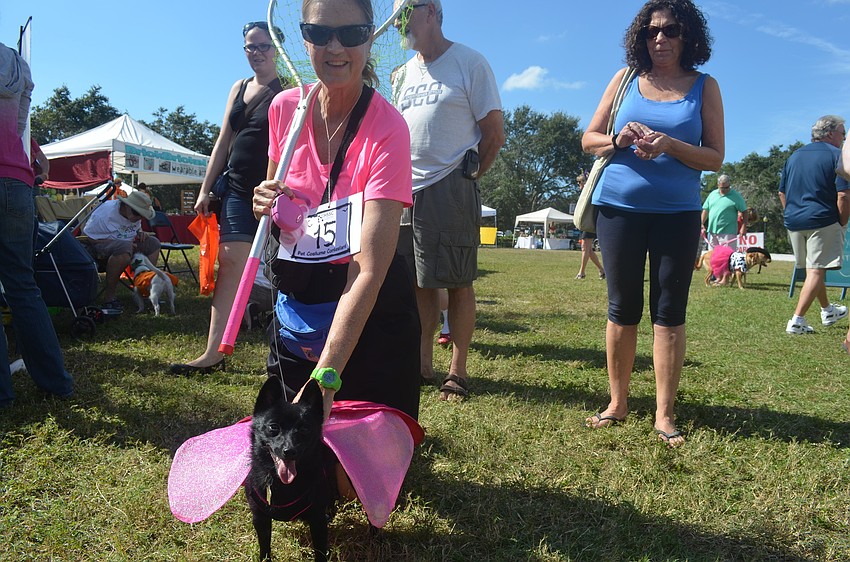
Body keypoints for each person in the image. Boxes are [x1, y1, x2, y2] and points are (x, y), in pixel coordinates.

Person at [252, 0, 421, 497]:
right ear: (301, 37)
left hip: (367, 308)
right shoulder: (285, 108)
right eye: (319, 32)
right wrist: (268, 197)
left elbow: (368, 270)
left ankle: (374, 434)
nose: (335, 47)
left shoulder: (389, 127)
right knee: (288, 483)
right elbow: (285, 203)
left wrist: (325, 383)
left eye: (352, 32)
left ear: (372, 37)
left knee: (348, 488)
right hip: (302, 296)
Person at [581, 0, 725, 447]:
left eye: (670, 30)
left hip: (677, 214)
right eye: (650, 31)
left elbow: (715, 156)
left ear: (688, 37)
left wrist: (671, 145)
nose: (659, 38)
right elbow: (589, 139)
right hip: (618, 210)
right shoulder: (624, 80)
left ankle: (664, 414)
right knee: (621, 308)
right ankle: (617, 403)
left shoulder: (705, 86)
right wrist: (616, 140)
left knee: (669, 312)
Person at [393, 0, 505, 401]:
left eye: (405, 12)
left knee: (457, 281)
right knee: (420, 282)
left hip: (450, 184)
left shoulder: (469, 62)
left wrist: (471, 175)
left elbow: (493, 131)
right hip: (406, 190)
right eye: (395, 17)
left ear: (433, 12)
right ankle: (422, 365)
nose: (399, 23)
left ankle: (457, 372)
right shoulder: (402, 73)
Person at [169, 21, 284, 375]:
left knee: (285, 271)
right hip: (235, 189)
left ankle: (288, 354)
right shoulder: (239, 87)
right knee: (230, 263)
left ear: (277, 48)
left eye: (263, 46)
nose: (257, 53)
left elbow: (287, 147)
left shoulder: (289, 91)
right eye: (250, 47)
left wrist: (271, 186)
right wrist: (205, 188)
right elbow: (223, 140)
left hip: (274, 191)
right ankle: (213, 353)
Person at [0, 40, 74, 407]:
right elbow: (19, 128)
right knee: (22, 286)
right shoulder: (15, 62)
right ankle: (56, 382)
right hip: (16, 180)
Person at [778, 115, 849, 335]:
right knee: (816, 270)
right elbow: (843, 195)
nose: (844, 138)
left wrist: (792, 213)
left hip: (794, 220)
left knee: (813, 269)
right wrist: (842, 221)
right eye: (842, 134)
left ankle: (828, 310)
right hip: (823, 219)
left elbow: (782, 192)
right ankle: (797, 321)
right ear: (830, 134)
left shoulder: (794, 156)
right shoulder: (838, 156)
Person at [81, 190, 160, 311]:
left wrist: (140, 233)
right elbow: (87, 238)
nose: (138, 217)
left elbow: (134, 229)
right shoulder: (104, 214)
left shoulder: (134, 215)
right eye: (136, 213)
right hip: (98, 246)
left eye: (142, 215)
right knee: (124, 247)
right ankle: (109, 298)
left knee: (153, 243)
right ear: (126, 205)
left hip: (126, 244)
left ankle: (144, 289)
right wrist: (122, 243)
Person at [701, 173, 746, 250]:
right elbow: (705, 210)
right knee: (713, 258)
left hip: (728, 233)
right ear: (718, 185)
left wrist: (743, 227)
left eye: (727, 187)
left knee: (727, 257)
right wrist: (701, 223)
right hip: (712, 232)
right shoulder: (712, 194)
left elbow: (745, 211)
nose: (725, 189)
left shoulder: (736, 196)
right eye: (722, 188)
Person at [574, 173, 605, 280]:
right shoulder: (584, 194)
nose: (579, 184)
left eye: (580, 181)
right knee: (588, 250)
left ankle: (581, 272)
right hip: (585, 223)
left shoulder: (590, 192)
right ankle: (602, 270)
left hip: (590, 222)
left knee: (585, 248)